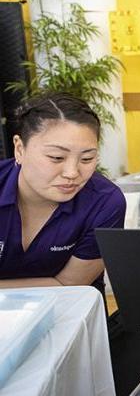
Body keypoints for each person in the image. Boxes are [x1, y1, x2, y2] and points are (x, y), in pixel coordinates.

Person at [0, 93, 126, 289]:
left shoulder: (105, 202)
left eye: (86, 159)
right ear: (19, 149)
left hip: (69, 312)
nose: (72, 173)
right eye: (56, 157)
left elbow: (69, 284)